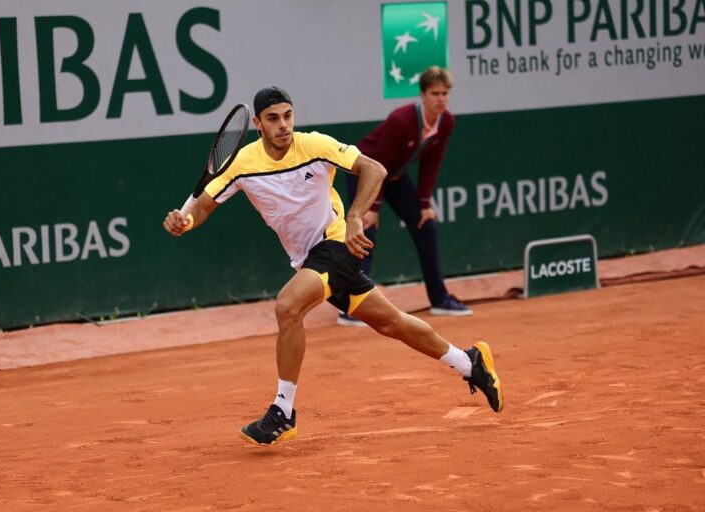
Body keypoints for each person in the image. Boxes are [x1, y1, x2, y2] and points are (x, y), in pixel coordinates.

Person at [163, 86, 503, 446]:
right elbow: (202, 206)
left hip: (336, 243)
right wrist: (185, 222)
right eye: (274, 118)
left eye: (288, 115)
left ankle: (283, 412)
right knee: (392, 322)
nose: (284, 125)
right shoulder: (242, 163)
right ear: (259, 125)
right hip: (307, 259)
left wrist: (356, 216)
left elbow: (374, 168)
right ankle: (470, 363)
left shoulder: (313, 145)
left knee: (288, 306)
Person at [340, 66, 471, 327]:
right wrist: (373, 208)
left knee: (426, 225)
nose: (441, 99)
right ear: (422, 95)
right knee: (365, 231)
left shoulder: (446, 122)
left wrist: (424, 204)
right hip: (365, 172)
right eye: (435, 93)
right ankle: (352, 305)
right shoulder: (401, 120)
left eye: (445, 93)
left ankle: (440, 299)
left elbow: (432, 163)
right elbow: (378, 163)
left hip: (395, 177)